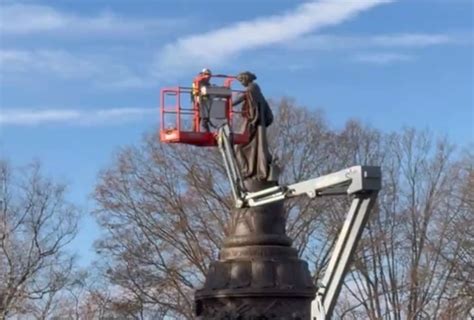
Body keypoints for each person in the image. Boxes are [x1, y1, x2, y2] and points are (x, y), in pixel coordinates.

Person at [232, 71, 278, 182]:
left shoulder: (253, 88)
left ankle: (247, 171)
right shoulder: (254, 89)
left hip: (254, 123)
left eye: (242, 80)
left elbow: (244, 96)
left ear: (247, 79)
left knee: (239, 147)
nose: (241, 83)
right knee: (242, 147)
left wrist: (229, 103)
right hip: (254, 122)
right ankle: (248, 171)